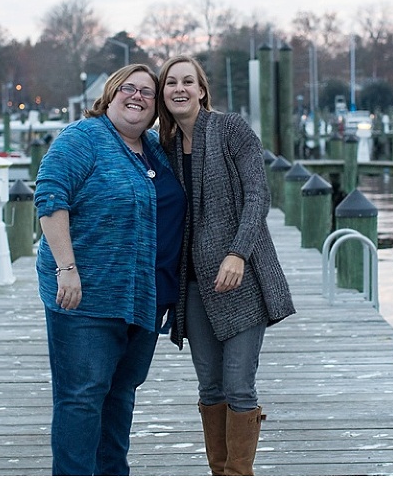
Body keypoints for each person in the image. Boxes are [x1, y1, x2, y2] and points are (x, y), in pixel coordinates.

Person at [34, 64, 185, 476]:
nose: (136, 97)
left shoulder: (154, 148)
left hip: (144, 299)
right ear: (110, 93)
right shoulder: (83, 138)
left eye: (147, 93)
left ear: (156, 108)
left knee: (121, 396)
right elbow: (50, 198)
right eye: (128, 89)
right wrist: (66, 267)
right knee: (82, 398)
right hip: (87, 298)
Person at [157, 55, 296, 476]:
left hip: (242, 279)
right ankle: (220, 471)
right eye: (170, 83)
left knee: (238, 384)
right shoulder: (162, 148)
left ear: (202, 89)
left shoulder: (230, 129)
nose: (179, 89)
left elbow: (258, 195)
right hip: (192, 285)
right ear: (163, 95)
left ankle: (239, 474)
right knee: (210, 386)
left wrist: (237, 252)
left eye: (188, 81)